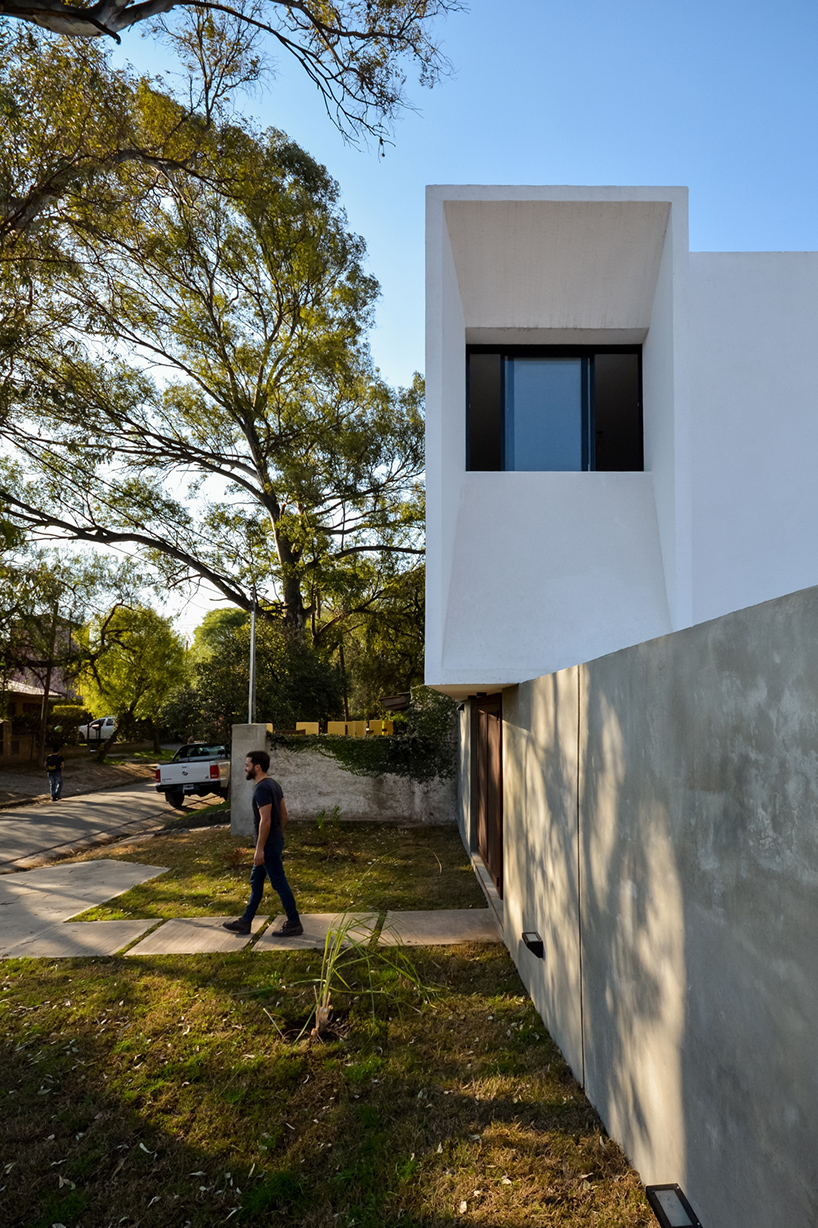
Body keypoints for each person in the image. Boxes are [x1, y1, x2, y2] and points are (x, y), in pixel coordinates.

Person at [223, 750, 303, 937]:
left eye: (247, 764)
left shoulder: (262, 788)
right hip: (273, 841)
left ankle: (294, 922)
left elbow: (265, 820)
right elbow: (284, 815)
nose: (245, 767)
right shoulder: (274, 785)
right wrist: (278, 835)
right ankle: (245, 922)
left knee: (279, 883)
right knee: (256, 881)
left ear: (257, 767)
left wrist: (260, 848)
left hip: (267, 845)